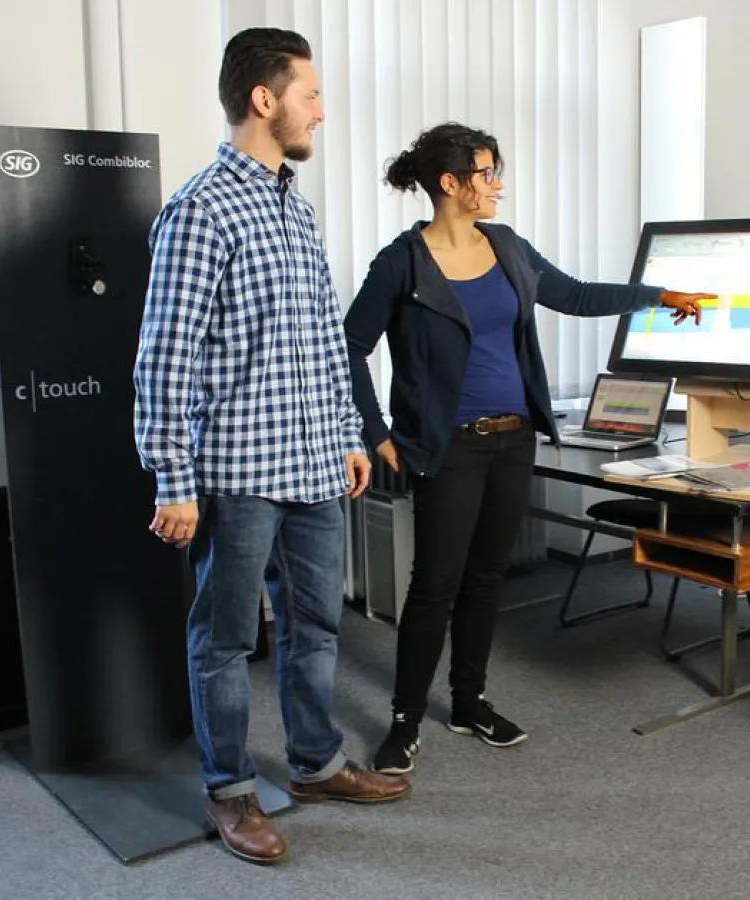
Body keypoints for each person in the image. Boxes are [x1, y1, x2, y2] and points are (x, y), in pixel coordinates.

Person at [343, 122, 712, 777]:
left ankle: (468, 701)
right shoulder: (402, 262)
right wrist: (374, 432)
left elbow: (573, 295)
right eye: (487, 173)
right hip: (448, 448)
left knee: (488, 577)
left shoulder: (507, 247)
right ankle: (404, 721)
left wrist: (658, 298)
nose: (498, 184)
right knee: (435, 586)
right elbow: (349, 346)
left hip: (512, 440)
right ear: (451, 184)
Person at [132, 27, 411, 866]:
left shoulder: (294, 201)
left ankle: (316, 761)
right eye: (311, 95)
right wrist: (171, 480)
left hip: (315, 467)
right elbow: (163, 357)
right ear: (266, 99)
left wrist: (348, 436)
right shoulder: (200, 209)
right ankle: (230, 791)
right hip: (239, 474)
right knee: (224, 640)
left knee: (316, 623)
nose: (320, 113)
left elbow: (323, 339)